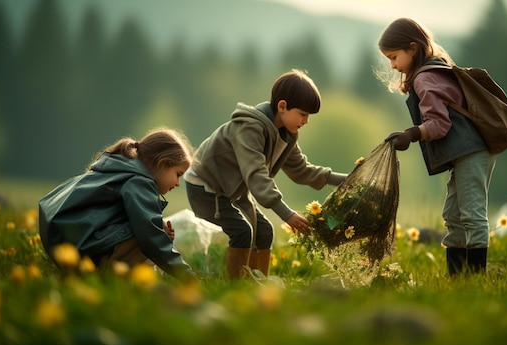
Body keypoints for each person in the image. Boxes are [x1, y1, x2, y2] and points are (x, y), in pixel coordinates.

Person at [185, 69, 347, 280]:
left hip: (232, 189)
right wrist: (286, 213)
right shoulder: (249, 128)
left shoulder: (287, 134)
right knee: (241, 232)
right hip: (206, 186)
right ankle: (234, 287)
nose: (306, 121)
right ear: (282, 106)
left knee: (264, 232)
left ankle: (257, 282)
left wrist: (346, 180)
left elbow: (302, 170)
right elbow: (256, 175)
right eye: (303, 114)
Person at [377, 18, 496, 276]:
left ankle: (476, 278)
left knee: (472, 214)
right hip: (467, 153)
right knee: (453, 215)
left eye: (394, 56)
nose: (392, 65)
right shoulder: (434, 71)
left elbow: (439, 124)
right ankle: (457, 277)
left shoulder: (425, 79)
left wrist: (412, 134)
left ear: (413, 48)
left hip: (471, 152)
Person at [39, 127, 196, 283]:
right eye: (178, 175)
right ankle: (114, 278)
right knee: (149, 237)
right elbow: (151, 237)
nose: (177, 184)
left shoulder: (119, 168)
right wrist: (188, 277)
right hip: (81, 249)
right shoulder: (139, 181)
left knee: (152, 231)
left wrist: (159, 229)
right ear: (162, 163)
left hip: (63, 242)